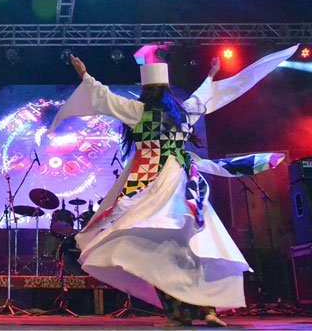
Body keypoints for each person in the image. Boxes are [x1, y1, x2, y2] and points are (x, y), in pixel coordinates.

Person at [49, 44, 297, 327]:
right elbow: (205, 96)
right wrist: (211, 75)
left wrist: (85, 75)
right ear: (166, 90)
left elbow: (104, 97)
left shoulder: (138, 110)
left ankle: (178, 316)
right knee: (195, 244)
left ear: (146, 90)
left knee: (157, 253)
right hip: (183, 182)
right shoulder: (184, 113)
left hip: (151, 184)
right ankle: (208, 309)